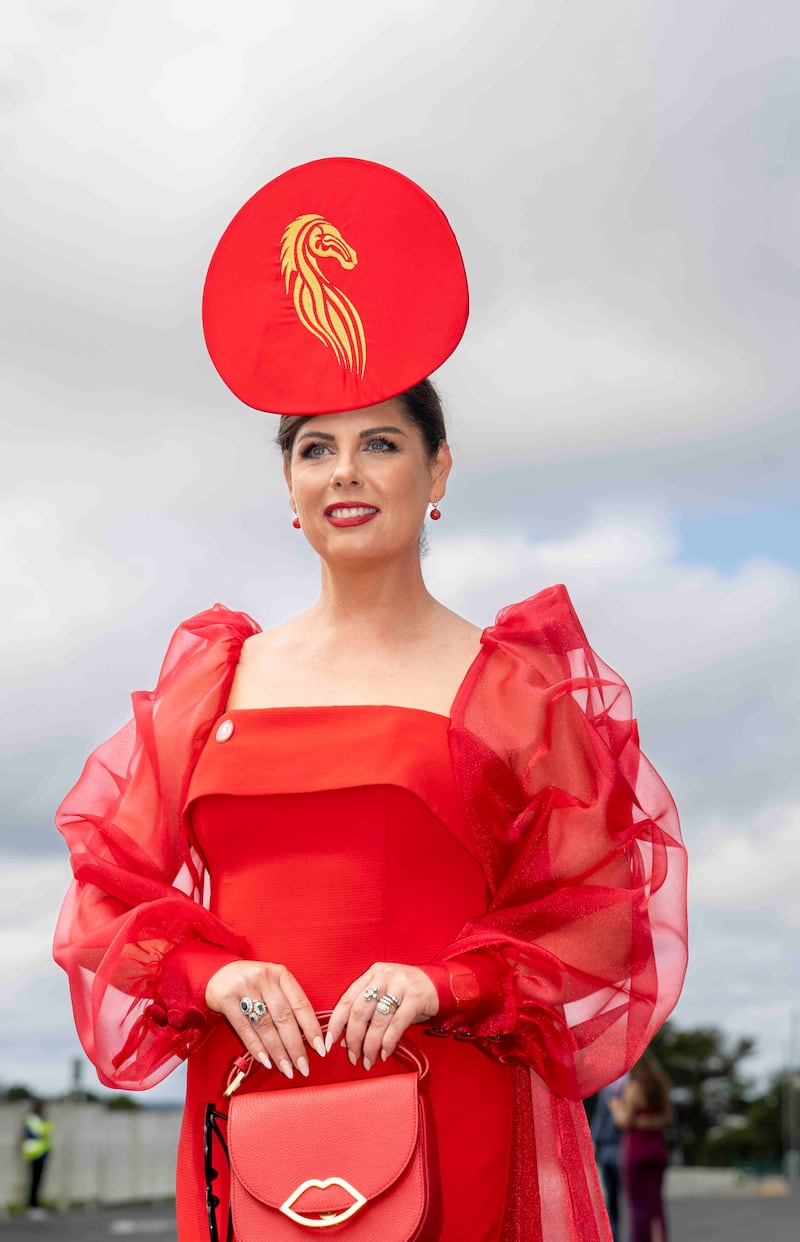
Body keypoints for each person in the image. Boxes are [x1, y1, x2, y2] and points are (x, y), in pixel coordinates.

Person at [53, 158, 688, 1242]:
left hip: (450, 1102)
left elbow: (601, 918)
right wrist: (210, 971)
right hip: (246, 1107)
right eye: (316, 450)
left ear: (436, 474)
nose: (346, 473)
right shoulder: (210, 686)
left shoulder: (515, 691)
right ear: (291, 490)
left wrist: (449, 984)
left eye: (381, 444)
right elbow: (106, 896)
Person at [610, 1055, 672, 1242]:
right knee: (656, 1204)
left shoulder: (633, 1088)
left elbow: (625, 1121)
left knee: (637, 1206)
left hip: (637, 1148)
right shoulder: (661, 1088)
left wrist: (615, 1107)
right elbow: (667, 1118)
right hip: (657, 1147)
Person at [590, 1077, 626, 1241]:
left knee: (624, 1196)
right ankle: (613, 1235)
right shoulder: (606, 1087)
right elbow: (600, 1116)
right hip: (607, 1145)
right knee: (610, 1197)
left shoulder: (630, 1086)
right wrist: (594, 1140)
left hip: (623, 1144)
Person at [20, 1099, 53, 1218]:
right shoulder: (33, 1119)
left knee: (38, 1182)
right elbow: (38, 1133)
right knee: (35, 1181)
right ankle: (32, 1206)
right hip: (35, 1153)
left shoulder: (41, 1119)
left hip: (41, 1153)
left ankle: (35, 1204)